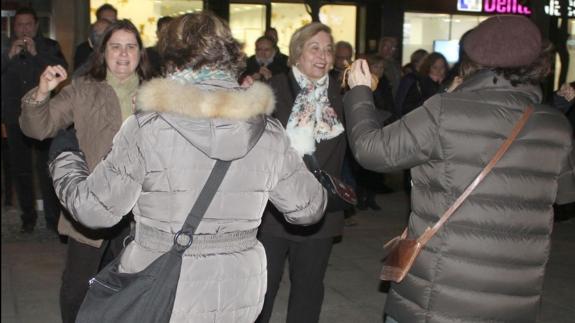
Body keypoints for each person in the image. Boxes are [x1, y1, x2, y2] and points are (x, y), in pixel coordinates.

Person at [47, 12, 327, 323]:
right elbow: (309, 209)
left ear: (173, 57)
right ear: (229, 53)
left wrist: (65, 159)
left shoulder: (148, 126)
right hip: (240, 292)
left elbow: (94, 210)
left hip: (165, 286)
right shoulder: (268, 130)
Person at [344, 15, 575, 323]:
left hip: (437, 298)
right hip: (513, 301)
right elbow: (564, 195)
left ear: (473, 59)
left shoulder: (444, 111)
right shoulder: (555, 125)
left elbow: (371, 151)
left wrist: (359, 91)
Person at [19, 19, 152, 323]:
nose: (123, 54)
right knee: (78, 284)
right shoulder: (82, 89)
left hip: (141, 207)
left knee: (128, 283)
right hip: (93, 202)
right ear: (103, 52)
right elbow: (38, 128)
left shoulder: (156, 93)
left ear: (140, 53)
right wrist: (42, 93)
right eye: (115, 46)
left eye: (130, 47)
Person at [257, 22, 347, 323]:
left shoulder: (342, 93)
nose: (322, 56)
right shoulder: (274, 89)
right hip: (273, 209)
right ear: (298, 53)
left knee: (308, 289)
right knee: (262, 288)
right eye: (314, 48)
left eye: (328, 49)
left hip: (320, 211)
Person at [1, 7, 67, 233]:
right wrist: (8, 56)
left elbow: (62, 72)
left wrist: (36, 53)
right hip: (13, 116)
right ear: (14, 26)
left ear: (36, 26)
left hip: (44, 117)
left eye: (28, 24)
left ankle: (52, 218)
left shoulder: (49, 46)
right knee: (20, 169)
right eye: (20, 25)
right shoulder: (5, 48)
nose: (24, 29)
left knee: (46, 168)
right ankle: (27, 217)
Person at [395, 52, 448, 118]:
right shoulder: (417, 82)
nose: (439, 71)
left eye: (442, 67)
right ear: (428, 68)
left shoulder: (446, 83)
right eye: (435, 67)